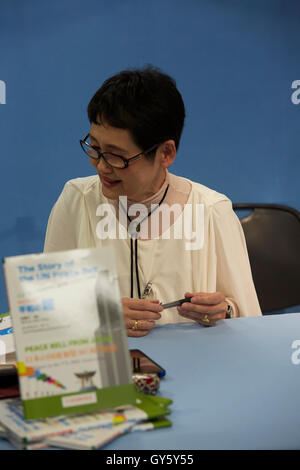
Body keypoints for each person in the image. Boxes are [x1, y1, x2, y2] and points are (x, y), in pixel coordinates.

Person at [44, 65, 262, 337]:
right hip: (106, 373)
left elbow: (249, 322)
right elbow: (44, 315)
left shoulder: (212, 211)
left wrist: (224, 310)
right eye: (95, 148)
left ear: (165, 153)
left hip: (195, 369)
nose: (101, 166)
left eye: (116, 156)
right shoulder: (77, 200)